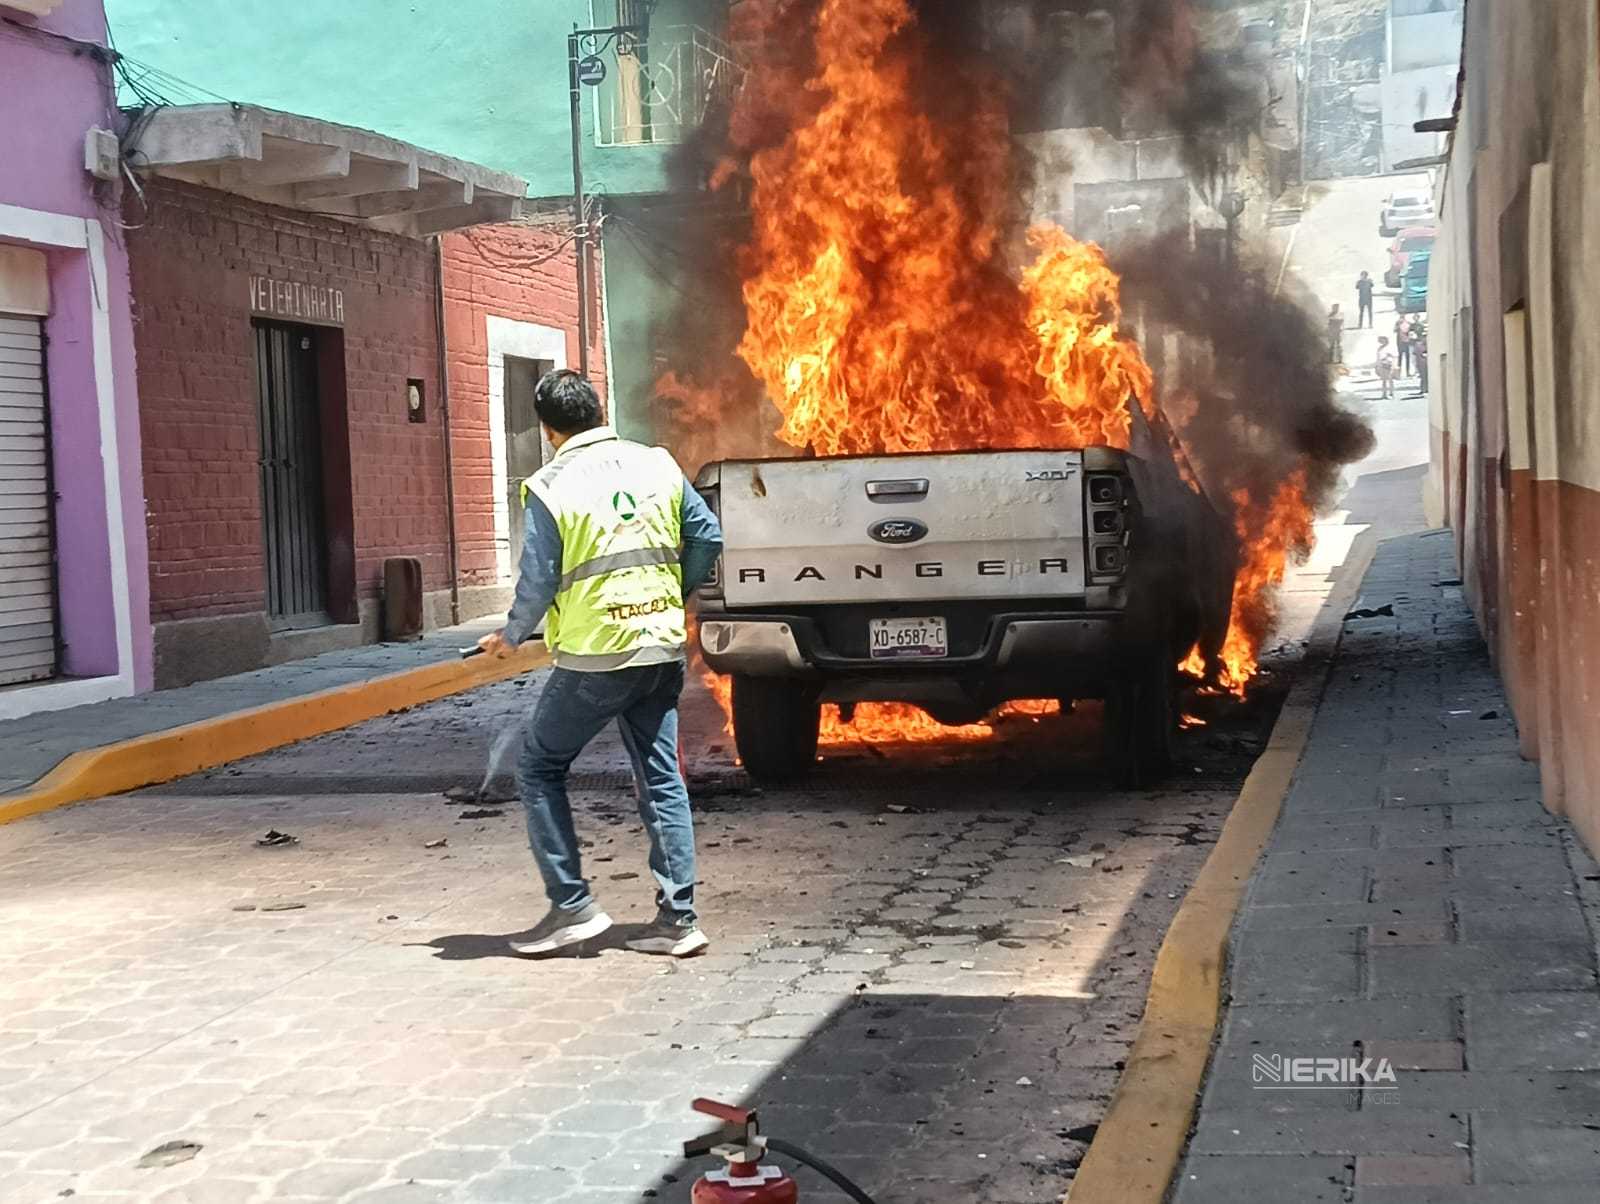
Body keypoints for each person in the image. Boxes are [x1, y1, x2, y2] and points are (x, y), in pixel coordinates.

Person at [477, 369, 724, 958]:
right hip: (660, 647)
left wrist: (511, 635)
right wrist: (672, 592)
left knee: (539, 767)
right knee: (662, 778)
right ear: (597, 411)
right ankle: (678, 921)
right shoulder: (657, 463)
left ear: (547, 428)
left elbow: (537, 581)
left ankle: (572, 907)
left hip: (596, 656)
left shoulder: (549, 484)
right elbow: (708, 536)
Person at [1414, 328, 1429, 396]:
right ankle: (1423, 389)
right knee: (1423, 377)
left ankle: (1428, 389)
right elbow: (1415, 355)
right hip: (1421, 364)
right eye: (1424, 336)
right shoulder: (1418, 345)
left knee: (1428, 377)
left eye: (1426, 336)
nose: (1425, 338)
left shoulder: (1431, 344)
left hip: (1429, 364)